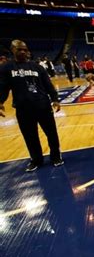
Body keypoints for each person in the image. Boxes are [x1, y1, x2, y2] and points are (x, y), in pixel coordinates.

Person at [0, 39, 64, 171]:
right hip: (23, 109)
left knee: (51, 133)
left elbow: (48, 85)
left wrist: (55, 99)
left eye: (25, 49)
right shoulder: (7, 68)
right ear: (12, 50)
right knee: (30, 136)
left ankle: (56, 157)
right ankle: (36, 160)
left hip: (43, 106)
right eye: (19, 49)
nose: (23, 52)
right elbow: (3, 87)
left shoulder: (37, 67)